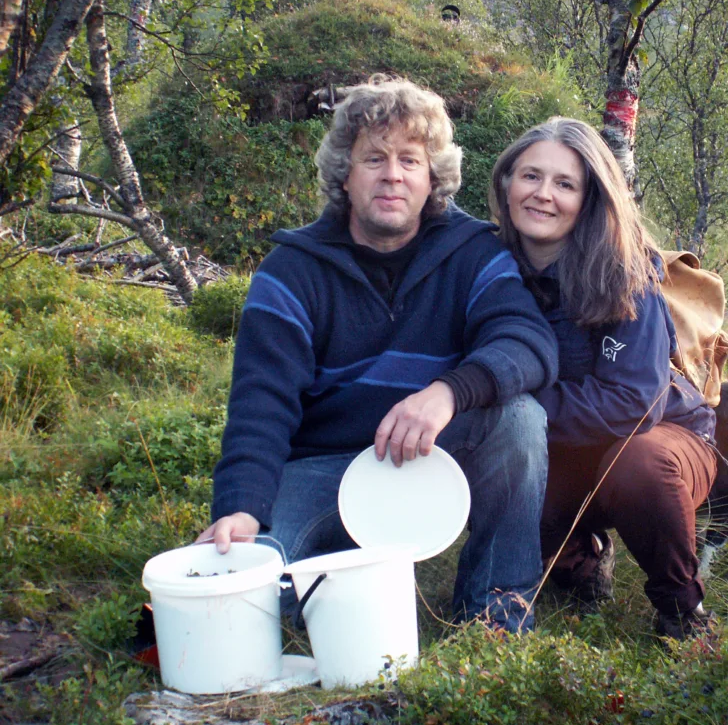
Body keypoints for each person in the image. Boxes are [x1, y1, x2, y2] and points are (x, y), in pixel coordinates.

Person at [197, 75, 558, 633]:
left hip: (430, 461)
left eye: (410, 160)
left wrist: (446, 393)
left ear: (432, 177)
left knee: (519, 419)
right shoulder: (290, 272)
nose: (393, 175)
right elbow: (259, 407)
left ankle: (495, 611)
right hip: (322, 471)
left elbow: (528, 341)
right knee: (248, 607)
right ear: (345, 172)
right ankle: (313, 572)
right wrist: (239, 508)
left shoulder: (472, 252)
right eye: (374, 159)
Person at [488, 117, 719, 639]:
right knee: (500, 469)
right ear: (506, 183)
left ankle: (682, 612)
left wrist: (517, 403)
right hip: (561, 448)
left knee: (635, 461)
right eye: (530, 176)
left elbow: (632, 403)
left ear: (591, 196)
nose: (543, 195)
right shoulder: (486, 264)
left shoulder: (625, 274)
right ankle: (582, 561)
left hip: (663, 437)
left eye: (564, 183)